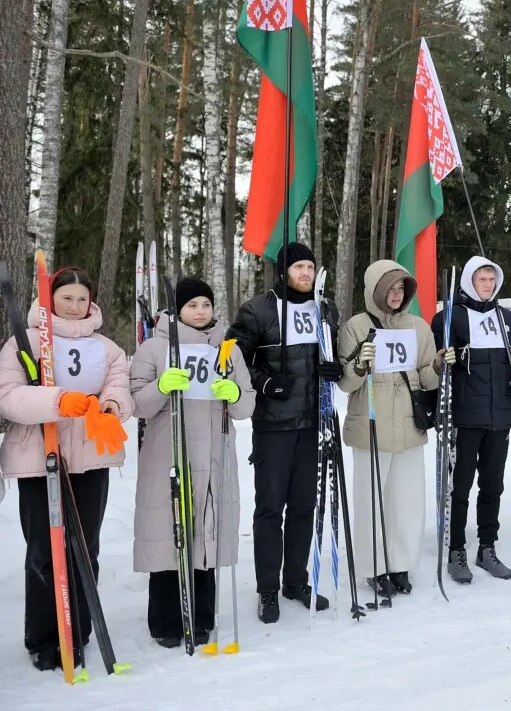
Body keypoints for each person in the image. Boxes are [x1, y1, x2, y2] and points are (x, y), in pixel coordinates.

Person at [0, 267, 131, 671]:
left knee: (84, 548)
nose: (75, 307)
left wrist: (111, 405)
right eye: (66, 298)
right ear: (51, 298)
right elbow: (8, 396)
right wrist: (56, 401)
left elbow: (118, 382)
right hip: (40, 456)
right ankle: (43, 636)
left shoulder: (107, 347)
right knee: (45, 549)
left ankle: (79, 631)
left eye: (81, 299)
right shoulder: (24, 342)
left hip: (91, 457)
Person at [129, 278, 256, 648]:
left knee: (206, 531)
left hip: (215, 454)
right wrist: (161, 387)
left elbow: (245, 405)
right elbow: (135, 403)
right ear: (177, 310)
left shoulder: (227, 350)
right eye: (192, 305)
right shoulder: (154, 348)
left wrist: (234, 394)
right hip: (169, 450)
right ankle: (167, 619)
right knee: (170, 530)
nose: (201, 311)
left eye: (206, 304)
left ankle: (202, 616)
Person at [226, 241, 342, 623]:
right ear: (284, 272)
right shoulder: (258, 309)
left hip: (312, 424)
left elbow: (333, 355)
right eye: (298, 268)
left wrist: (334, 369)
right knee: (270, 509)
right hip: (274, 425)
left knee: (304, 507)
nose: (305, 273)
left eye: (310, 266)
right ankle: (267, 589)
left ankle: (295, 581)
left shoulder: (324, 308)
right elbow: (231, 355)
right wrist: (264, 382)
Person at [337, 260, 441, 597]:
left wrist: (438, 365)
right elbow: (345, 382)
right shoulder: (355, 326)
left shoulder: (418, 326)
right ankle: (373, 567)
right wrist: (359, 363)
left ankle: (400, 563)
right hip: (371, 425)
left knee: (407, 501)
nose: (396, 295)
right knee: (372, 499)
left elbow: (424, 375)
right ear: (375, 291)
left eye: (401, 289)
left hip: (409, 426)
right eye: (389, 289)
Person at [431, 256, 511, 583]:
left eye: (491, 280)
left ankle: (487, 547)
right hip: (464, 416)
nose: (487, 285)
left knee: (492, 486)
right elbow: (437, 364)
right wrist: (446, 361)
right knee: (461, 486)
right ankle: (456, 548)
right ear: (469, 282)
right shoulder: (450, 318)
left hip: (500, 416)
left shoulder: (508, 318)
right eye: (481, 279)